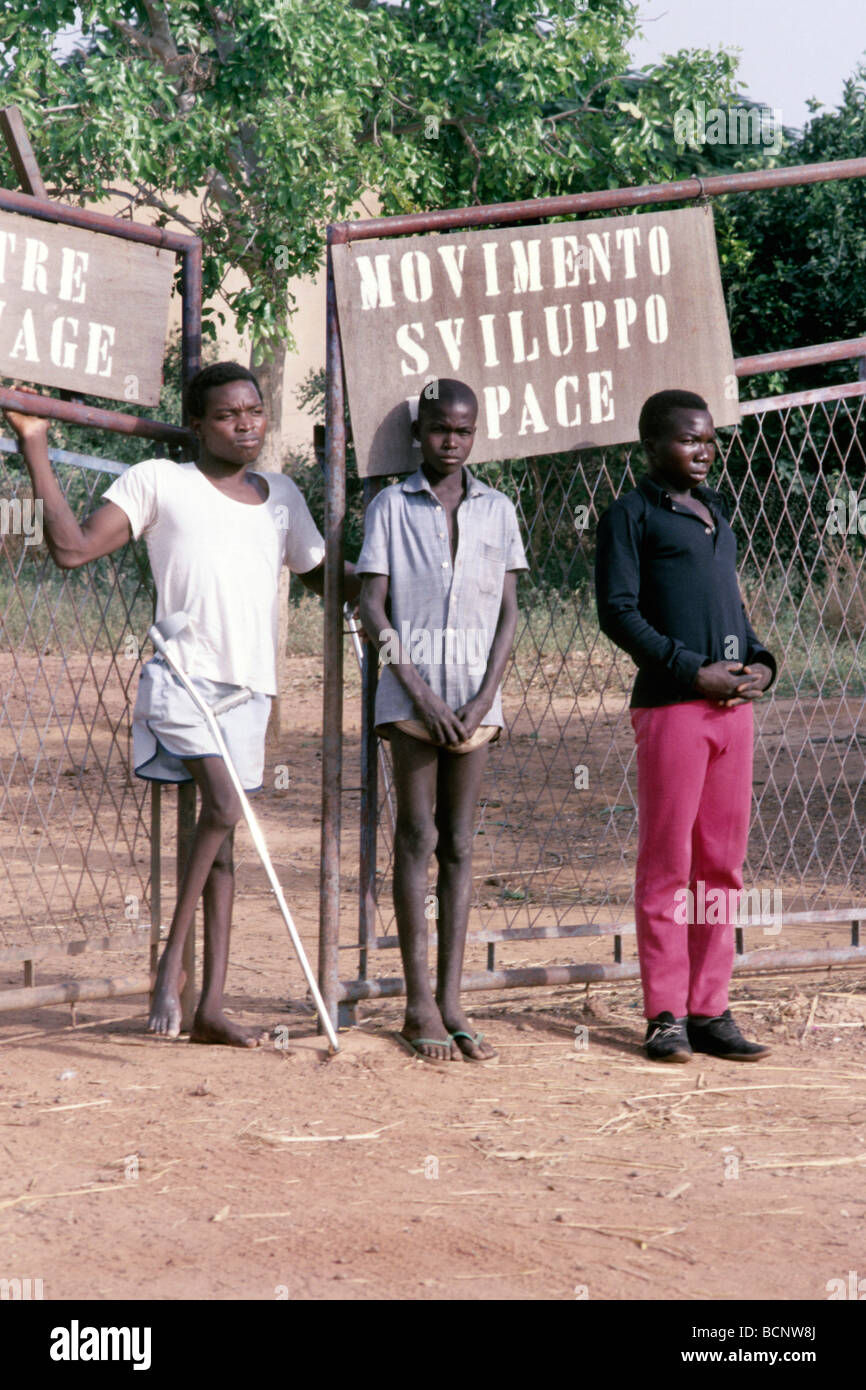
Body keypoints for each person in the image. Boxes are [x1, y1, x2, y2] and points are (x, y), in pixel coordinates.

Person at [4, 362, 358, 1047]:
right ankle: (172, 964)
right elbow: (72, 550)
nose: (246, 423)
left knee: (224, 852)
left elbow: (325, 578)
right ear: (196, 424)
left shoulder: (282, 496)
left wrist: (394, 584)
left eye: (254, 411)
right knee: (226, 810)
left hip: (249, 691)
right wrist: (37, 446)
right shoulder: (161, 481)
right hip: (182, 682)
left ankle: (211, 1008)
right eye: (227, 415)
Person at [595, 388, 776, 1063]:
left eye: (708, 440)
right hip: (671, 708)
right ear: (651, 446)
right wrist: (688, 668)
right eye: (688, 440)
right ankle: (664, 1013)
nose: (703, 451)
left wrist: (759, 661)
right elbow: (617, 611)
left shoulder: (716, 514)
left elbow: (732, 604)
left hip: (733, 712)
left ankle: (710, 1008)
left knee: (720, 865)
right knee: (668, 863)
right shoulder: (631, 516)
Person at [358, 378, 528, 1064]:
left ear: (475, 432)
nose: (449, 443)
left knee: (460, 842)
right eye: (437, 431)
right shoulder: (390, 507)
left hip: (476, 705)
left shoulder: (498, 509)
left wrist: (486, 696)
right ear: (418, 434)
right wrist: (417, 691)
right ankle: (416, 1000)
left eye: (461, 431)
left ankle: (453, 1000)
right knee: (417, 836)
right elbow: (373, 608)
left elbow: (510, 612)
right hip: (414, 698)